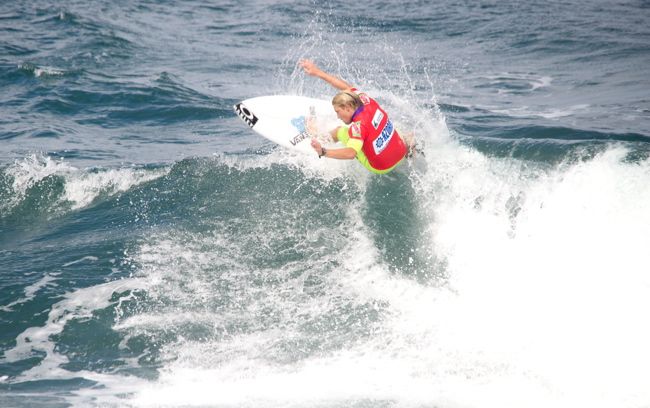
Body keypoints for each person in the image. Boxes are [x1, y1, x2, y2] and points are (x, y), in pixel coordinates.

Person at [299, 59, 409, 174]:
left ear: (348, 108)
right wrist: (318, 72)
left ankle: (317, 137)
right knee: (392, 130)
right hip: (401, 151)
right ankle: (409, 148)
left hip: (382, 167)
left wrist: (322, 152)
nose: (338, 116)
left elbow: (351, 153)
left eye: (338, 112)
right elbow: (346, 88)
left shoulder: (357, 127)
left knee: (339, 131)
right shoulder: (364, 99)